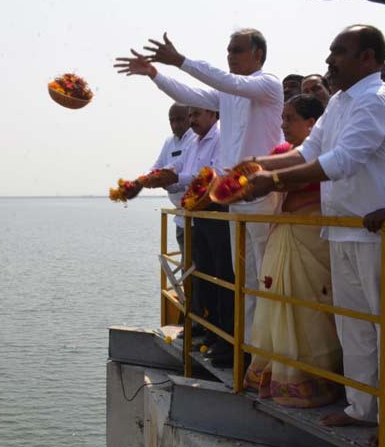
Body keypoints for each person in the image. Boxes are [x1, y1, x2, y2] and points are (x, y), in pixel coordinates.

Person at [241, 24, 385, 430]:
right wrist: (253, 167)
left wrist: (276, 180)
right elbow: (310, 150)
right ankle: (362, 409)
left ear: (368, 58)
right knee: (352, 327)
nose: (329, 60)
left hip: (378, 233)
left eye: (339, 52)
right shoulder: (339, 103)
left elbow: (344, 160)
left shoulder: (377, 98)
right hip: (341, 228)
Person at [115, 29, 283, 351]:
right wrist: (154, 74)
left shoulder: (267, 84)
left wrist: (180, 60)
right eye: (228, 50)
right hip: (235, 198)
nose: (230, 56)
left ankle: (267, 352)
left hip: (261, 195)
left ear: (258, 55)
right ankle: (247, 353)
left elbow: (226, 81)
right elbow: (190, 94)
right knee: (244, 280)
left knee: (265, 278)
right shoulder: (229, 95)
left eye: (237, 50)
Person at [244, 94, 343, 408]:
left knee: (309, 305)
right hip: (282, 232)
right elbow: (265, 185)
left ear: (312, 123)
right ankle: (277, 376)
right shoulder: (279, 153)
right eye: (282, 118)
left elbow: (287, 183)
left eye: (290, 119)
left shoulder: (323, 154)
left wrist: (261, 178)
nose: (283, 124)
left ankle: (314, 381)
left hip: (312, 235)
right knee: (277, 301)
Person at [165, 107, 235, 363]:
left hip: (217, 214)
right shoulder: (193, 142)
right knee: (204, 275)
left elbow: (211, 176)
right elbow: (178, 168)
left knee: (223, 277)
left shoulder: (221, 138)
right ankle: (210, 330)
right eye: (190, 115)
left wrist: (175, 177)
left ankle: (227, 339)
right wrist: (164, 177)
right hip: (198, 216)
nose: (192, 120)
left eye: (197, 114)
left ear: (214, 115)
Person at [152, 103, 196, 259]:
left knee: (198, 268)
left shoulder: (195, 138)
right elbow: (157, 167)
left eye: (180, 119)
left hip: (199, 217)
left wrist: (168, 179)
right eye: (172, 120)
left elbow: (187, 172)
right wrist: (144, 180)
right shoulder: (169, 141)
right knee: (187, 266)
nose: (176, 124)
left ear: (189, 118)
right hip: (181, 217)